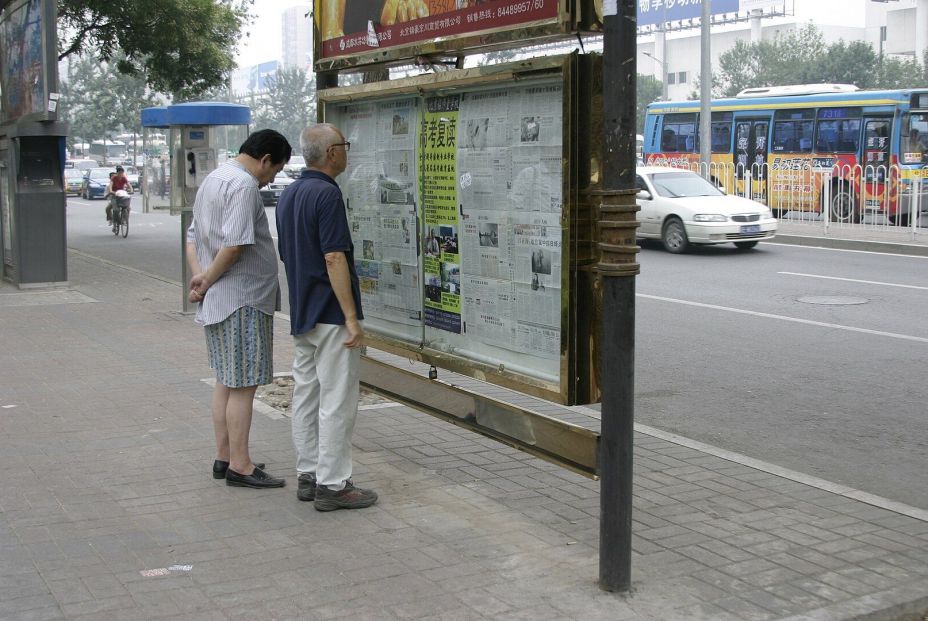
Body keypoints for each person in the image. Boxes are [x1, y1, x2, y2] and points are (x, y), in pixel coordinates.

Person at [275, 123, 377, 512]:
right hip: (331, 313)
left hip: (303, 310)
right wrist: (351, 316)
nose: (347, 152)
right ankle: (333, 485)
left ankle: (310, 473)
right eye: (344, 146)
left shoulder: (290, 194)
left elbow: (290, 253)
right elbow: (334, 257)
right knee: (337, 398)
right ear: (333, 153)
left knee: (306, 393)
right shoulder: (327, 195)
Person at [185, 129, 292, 489]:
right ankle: (241, 465)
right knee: (243, 385)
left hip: (221, 301)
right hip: (241, 300)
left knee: (225, 381)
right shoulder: (244, 185)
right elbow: (235, 246)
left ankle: (225, 456)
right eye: (275, 171)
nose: (272, 179)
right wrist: (209, 279)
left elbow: (192, 235)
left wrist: (200, 276)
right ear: (264, 160)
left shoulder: (215, 177)